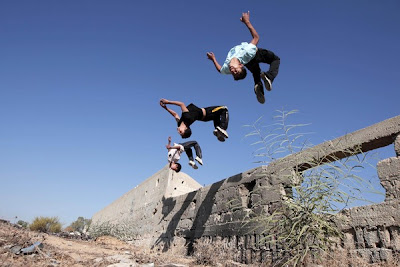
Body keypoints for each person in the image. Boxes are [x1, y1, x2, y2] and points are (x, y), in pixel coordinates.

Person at [207, 11, 280, 104]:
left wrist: (213, 59)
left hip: (249, 63)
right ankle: (268, 77)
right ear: (241, 65)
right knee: (275, 59)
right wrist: (247, 22)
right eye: (236, 71)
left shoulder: (227, 68)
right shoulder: (245, 53)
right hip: (255, 54)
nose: (232, 71)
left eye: (233, 73)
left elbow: (220, 70)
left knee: (255, 72)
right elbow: (256, 38)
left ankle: (258, 86)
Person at [160, 99, 229, 142]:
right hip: (208, 113)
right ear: (186, 128)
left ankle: (218, 132)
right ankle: (222, 128)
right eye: (181, 131)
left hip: (206, 118)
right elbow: (181, 104)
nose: (178, 131)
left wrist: (166, 108)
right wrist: (168, 102)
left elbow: (175, 114)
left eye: (179, 132)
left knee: (216, 116)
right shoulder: (187, 118)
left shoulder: (179, 123)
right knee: (224, 109)